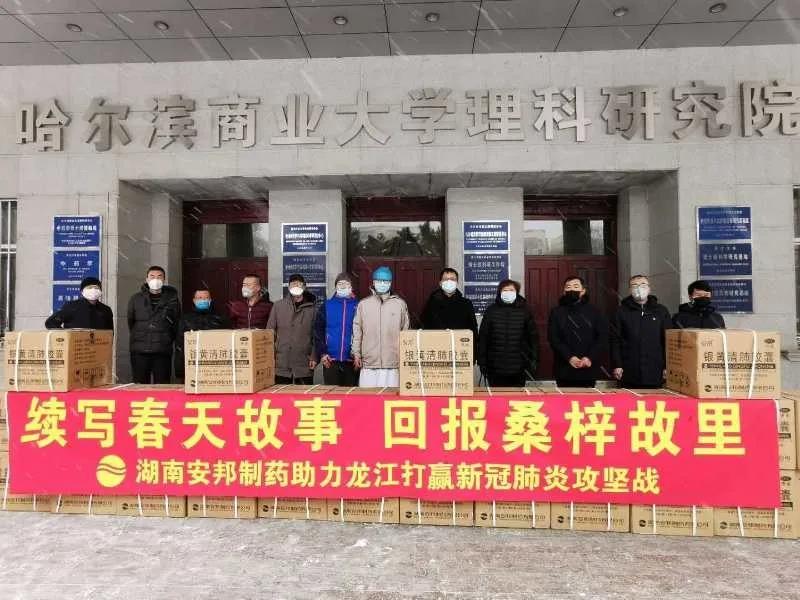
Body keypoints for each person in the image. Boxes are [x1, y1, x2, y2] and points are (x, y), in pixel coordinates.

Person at [610, 274, 673, 389]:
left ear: (649, 289)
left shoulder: (661, 311)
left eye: (643, 285)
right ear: (630, 290)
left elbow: (668, 340)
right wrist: (617, 364)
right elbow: (615, 340)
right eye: (634, 285)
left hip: (655, 368)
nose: (639, 288)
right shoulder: (621, 311)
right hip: (629, 368)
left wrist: (667, 366)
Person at [351, 266, 410, 387]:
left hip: (393, 364)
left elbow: (406, 333)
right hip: (369, 364)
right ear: (373, 282)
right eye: (379, 281)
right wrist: (356, 354)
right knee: (368, 397)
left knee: (391, 396)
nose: (382, 284)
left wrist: (404, 357)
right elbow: (357, 332)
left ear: (390, 283)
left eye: (386, 281)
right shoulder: (364, 304)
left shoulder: (400, 304)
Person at [547, 276, 607, 388]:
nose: (571, 289)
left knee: (586, 397)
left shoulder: (594, 311)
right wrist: (569, 357)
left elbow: (602, 337)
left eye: (575, 286)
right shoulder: (557, 312)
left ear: (583, 291)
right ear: (564, 291)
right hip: (564, 366)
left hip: (588, 366)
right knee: (564, 397)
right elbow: (553, 338)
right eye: (568, 287)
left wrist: (589, 357)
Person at [477, 279, 538, 387]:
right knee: (497, 396)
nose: (508, 292)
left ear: (517, 292)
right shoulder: (491, 311)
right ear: (499, 292)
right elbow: (483, 338)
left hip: (519, 367)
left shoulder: (525, 311)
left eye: (511, 290)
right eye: (505, 290)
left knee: (516, 396)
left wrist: (533, 361)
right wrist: (482, 362)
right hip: (495, 367)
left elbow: (533, 338)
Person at [127, 266, 180, 384]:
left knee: (162, 385)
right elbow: (131, 321)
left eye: (159, 276)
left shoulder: (172, 299)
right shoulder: (136, 299)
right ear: (146, 279)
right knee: (140, 386)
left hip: (162, 350)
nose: (155, 279)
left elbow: (176, 322)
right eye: (152, 276)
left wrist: (167, 338)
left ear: (164, 279)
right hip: (140, 350)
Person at [266, 274, 317, 385]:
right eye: (293, 284)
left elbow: (316, 336)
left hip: (304, 362)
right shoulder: (278, 306)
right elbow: (270, 333)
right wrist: (270, 356)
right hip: (281, 362)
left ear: (304, 287)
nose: (296, 287)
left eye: (299, 284)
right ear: (288, 287)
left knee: (304, 393)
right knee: (281, 393)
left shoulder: (312, 309)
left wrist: (314, 356)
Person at [174, 287, 231, 380]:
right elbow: (180, 345)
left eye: (206, 298)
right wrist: (180, 370)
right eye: (200, 298)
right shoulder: (186, 319)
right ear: (194, 300)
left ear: (210, 300)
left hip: (214, 366)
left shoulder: (220, 319)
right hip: (192, 365)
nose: (203, 300)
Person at [313, 273, 359, 386]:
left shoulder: (359, 306)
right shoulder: (327, 305)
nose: (343, 287)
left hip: (351, 361)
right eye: (340, 284)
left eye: (346, 284)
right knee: (332, 394)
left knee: (350, 394)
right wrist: (323, 353)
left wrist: (359, 354)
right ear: (335, 286)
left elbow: (363, 331)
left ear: (351, 287)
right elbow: (318, 331)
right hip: (330, 360)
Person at [420, 268, 478, 342]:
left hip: (460, 344)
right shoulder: (431, 303)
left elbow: (473, 330)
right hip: (437, 345)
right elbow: (423, 327)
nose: (449, 282)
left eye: (452, 279)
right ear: (440, 283)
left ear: (457, 282)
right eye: (445, 279)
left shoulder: (466, 304)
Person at [45, 276, 113, 330]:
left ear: (100, 291)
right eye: (89, 288)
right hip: (76, 342)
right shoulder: (72, 306)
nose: (93, 290)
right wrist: (65, 335)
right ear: (82, 291)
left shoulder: (106, 310)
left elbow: (110, 332)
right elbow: (50, 323)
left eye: (96, 288)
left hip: (98, 343)